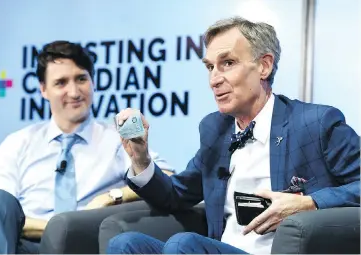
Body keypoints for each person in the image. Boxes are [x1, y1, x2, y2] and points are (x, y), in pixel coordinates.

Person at [106, 16, 360, 254]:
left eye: (227, 63)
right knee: (125, 244)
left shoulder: (315, 123)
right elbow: (176, 195)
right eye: (210, 67)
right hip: (224, 248)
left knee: (184, 246)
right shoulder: (215, 130)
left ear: (264, 65)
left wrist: (309, 203)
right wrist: (140, 157)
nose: (214, 80)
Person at [0, 41, 174, 254]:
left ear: (93, 83)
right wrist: (57, 228)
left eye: (81, 79)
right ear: (44, 90)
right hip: (27, 245)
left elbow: (167, 177)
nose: (74, 92)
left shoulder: (115, 139)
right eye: (61, 83)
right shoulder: (17, 143)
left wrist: (112, 197)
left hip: (85, 244)